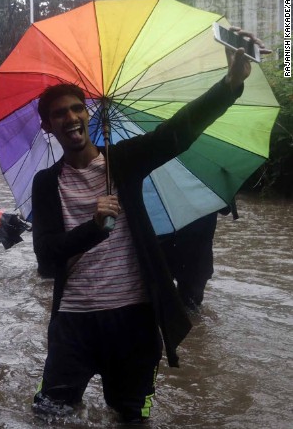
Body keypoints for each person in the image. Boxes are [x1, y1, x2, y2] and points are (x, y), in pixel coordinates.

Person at [29, 30, 267, 422]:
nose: (70, 118)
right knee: (50, 413)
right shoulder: (45, 183)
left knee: (131, 417)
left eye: (76, 109)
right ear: (47, 127)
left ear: (88, 114)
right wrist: (94, 225)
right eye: (59, 114)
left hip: (133, 318)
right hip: (74, 320)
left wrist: (229, 84)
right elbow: (47, 254)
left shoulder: (124, 161)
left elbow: (175, 134)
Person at [159, 203, 236, 309]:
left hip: (189, 249)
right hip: (189, 249)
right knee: (188, 298)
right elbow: (226, 209)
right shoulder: (210, 190)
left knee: (187, 298)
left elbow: (226, 209)